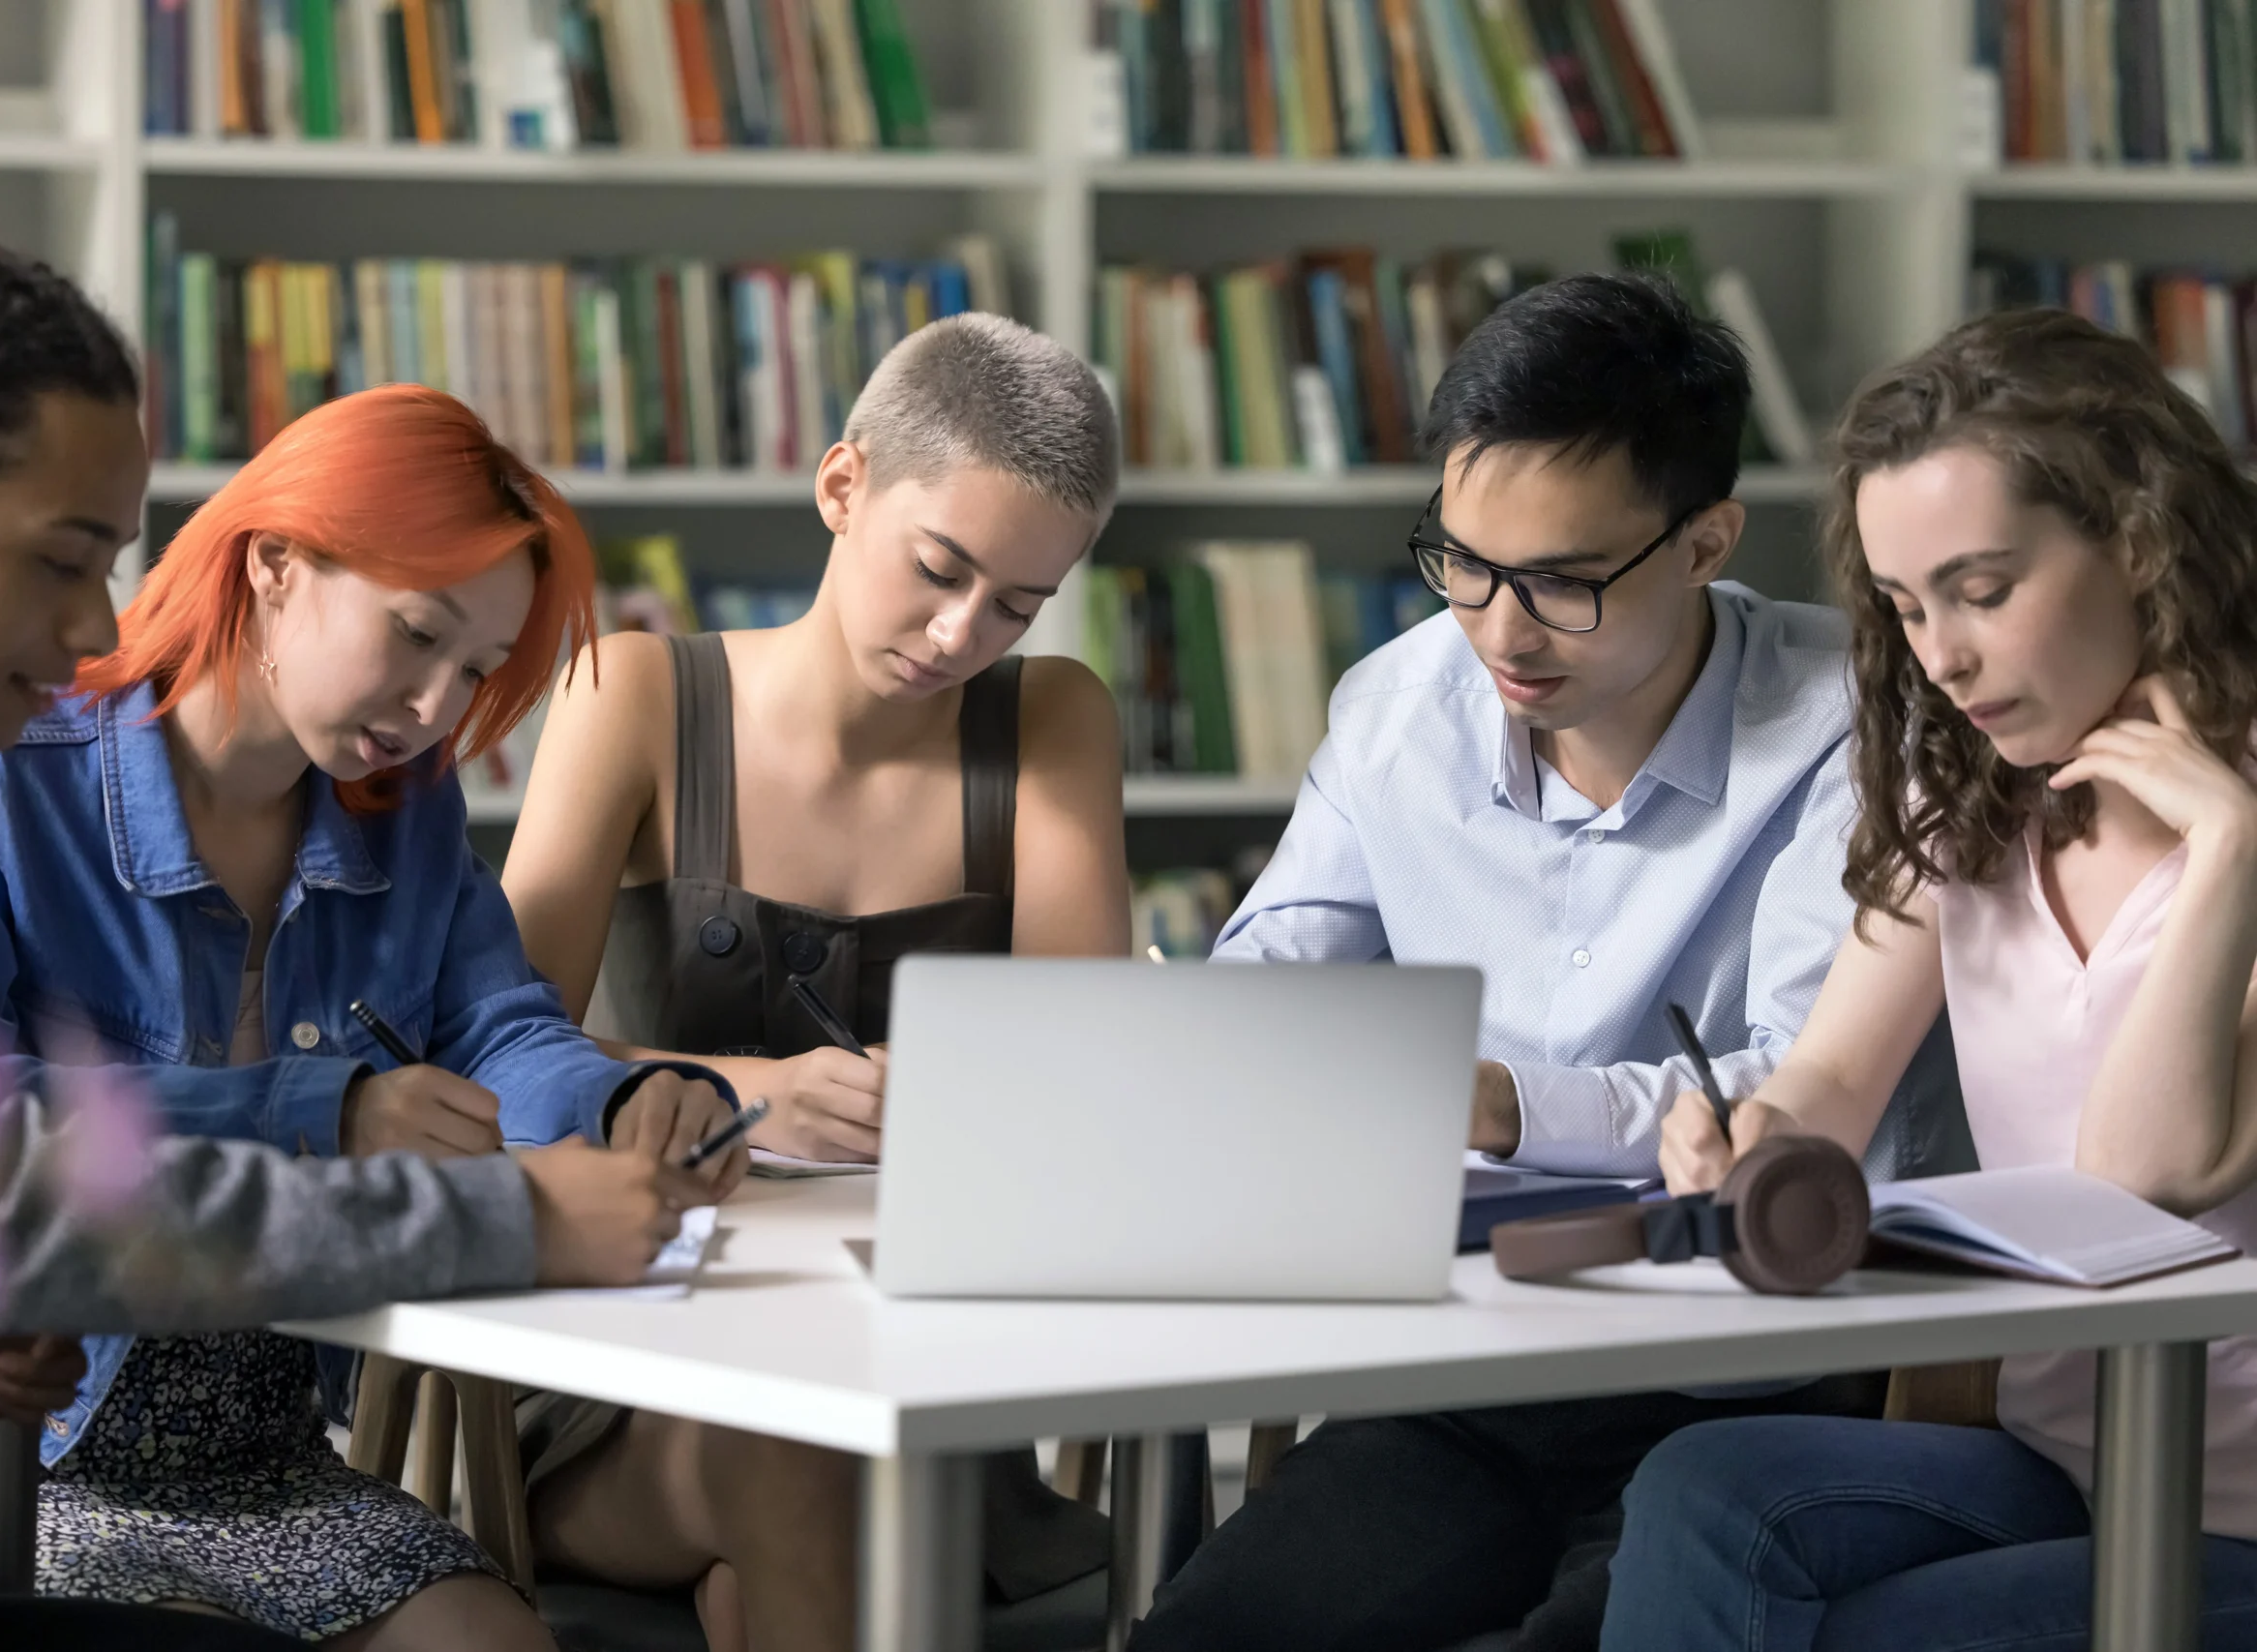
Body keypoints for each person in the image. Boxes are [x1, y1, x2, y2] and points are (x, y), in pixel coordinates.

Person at [0, 226, 721, 1652]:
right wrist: (364, 1129)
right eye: (415, 636)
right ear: (275, 565)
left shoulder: (401, 808)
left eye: (475, 670)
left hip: (246, 1442)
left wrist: (625, 1095)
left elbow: (498, 1026)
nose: (435, 702)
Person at [1130, 272, 1968, 1652]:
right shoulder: (1401, 703)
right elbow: (1286, 954)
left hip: (1754, 1380)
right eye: (1461, 561)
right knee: (1207, 1637)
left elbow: (1809, 1083)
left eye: (1563, 583)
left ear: (1706, 542)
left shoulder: (1853, 726)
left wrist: (1507, 1102)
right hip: (1474, 1363)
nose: (1499, 631)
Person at [1601, 308, 2257, 1649]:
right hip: (2073, 1462)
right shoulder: (1966, 791)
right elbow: (1836, 1072)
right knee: (1704, 1494)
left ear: (2137, 539)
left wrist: (2233, 843)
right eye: (1905, 606)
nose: (1939, 656)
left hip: (2235, 1509)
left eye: (1983, 588)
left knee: (1870, 1632)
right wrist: (1749, 1140)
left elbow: (2142, 1171)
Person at [499, 312, 1130, 1650]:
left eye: (1018, 603)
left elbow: (1088, 1074)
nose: (965, 633)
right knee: (795, 1470)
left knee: (784, 1544)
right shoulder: (631, 694)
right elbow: (487, 1054)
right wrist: (747, 1092)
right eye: (940, 570)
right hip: (626, 1363)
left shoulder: (1054, 717)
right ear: (843, 485)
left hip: (909, 1365)